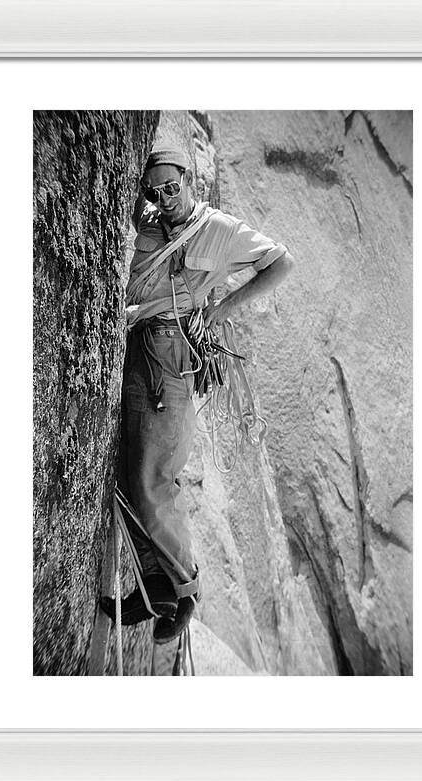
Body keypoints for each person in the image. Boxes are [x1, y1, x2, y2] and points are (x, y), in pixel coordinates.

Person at [100, 145, 294, 644]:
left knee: (156, 475)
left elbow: (280, 262)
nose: (165, 199)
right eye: (155, 192)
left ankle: (184, 592)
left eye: (172, 188)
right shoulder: (149, 225)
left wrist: (223, 308)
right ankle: (155, 589)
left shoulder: (219, 229)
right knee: (128, 468)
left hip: (171, 354)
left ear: (191, 182)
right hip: (141, 344)